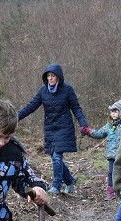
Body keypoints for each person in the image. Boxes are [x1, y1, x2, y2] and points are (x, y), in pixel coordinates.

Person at [17, 63, 89, 195]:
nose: (50, 78)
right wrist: (15, 117)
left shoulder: (68, 90)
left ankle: (56, 185)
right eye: (48, 76)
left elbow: (76, 108)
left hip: (64, 128)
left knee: (56, 156)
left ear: (58, 77)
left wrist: (83, 123)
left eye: (53, 76)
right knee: (55, 157)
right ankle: (69, 180)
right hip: (50, 128)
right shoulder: (43, 91)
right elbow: (31, 106)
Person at [86, 99, 121, 199]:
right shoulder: (109, 126)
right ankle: (110, 192)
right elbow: (99, 133)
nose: (113, 114)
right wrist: (88, 131)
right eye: (112, 111)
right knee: (110, 173)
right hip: (111, 154)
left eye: (116, 111)